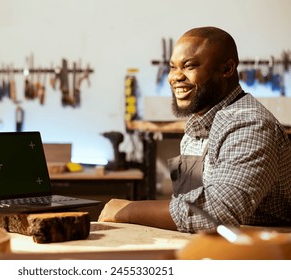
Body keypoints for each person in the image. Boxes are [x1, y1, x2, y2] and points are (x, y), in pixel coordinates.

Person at [98, 26, 291, 233]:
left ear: (227, 69)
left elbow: (217, 213)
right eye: (173, 67)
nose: (175, 77)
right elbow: (187, 202)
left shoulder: (250, 125)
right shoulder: (195, 129)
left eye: (189, 66)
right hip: (213, 244)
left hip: (262, 251)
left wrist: (128, 210)